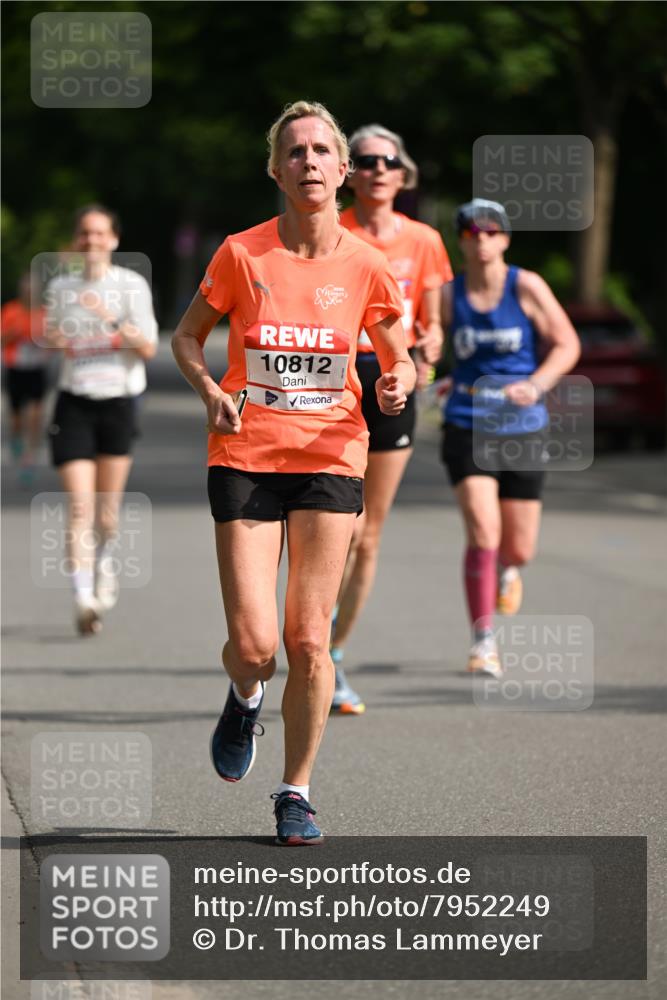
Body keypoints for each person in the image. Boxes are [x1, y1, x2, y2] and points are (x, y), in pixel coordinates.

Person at [171, 101, 414, 845]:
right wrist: (209, 391)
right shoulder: (241, 255)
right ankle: (245, 693)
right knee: (256, 646)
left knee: (308, 639)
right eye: (295, 151)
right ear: (276, 170)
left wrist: (397, 381)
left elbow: (399, 352)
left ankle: (295, 792)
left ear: (342, 172)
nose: (309, 160)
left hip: (332, 455)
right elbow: (187, 337)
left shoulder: (366, 264)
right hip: (245, 453)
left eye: (321, 151)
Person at [330, 124, 453, 713]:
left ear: (404, 175)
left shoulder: (425, 240)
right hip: (335, 378)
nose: (378, 169)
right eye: (366, 160)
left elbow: (432, 323)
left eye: (388, 161)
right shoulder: (332, 231)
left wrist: (429, 348)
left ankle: (332, 655)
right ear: (349, 173)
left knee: (367, 533)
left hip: (392, 379)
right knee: (334, 525)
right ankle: (309, 636)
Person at [441, 199, 580, 676]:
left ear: (505, 238)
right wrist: (430, 373)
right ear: (461, 241)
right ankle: (483, 642)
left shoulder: (527, 286)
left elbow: (567, 343)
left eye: (491, 232)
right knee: (483, 531)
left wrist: (537, 385)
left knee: (518, 547)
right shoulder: (447, 294)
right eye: (471, 233)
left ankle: (510, 568)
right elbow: (427, 346)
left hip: (522, 426)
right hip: (466, 422)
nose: (481, 240)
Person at [44, 205, 158, 635]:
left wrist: (106, 318)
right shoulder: (61, 288)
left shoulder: (130, 286)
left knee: (106, 513)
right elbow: (52, 337)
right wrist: (58, 338)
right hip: (74, 402)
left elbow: (147, 349)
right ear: (77, 240)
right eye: (84, 233)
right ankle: (83, 597)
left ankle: (104, 564)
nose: (91, 240)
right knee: (79, 506)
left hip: (118, 402)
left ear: (113, 239)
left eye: (99, 233)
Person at [1, 273, 49, 483]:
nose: (29, 293)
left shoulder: (44, 313)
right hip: (16, 369)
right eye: (26, 289)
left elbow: (53, 340)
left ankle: (29, 457)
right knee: (17, 417)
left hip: (36, 369)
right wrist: (14, 333)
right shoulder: (11, 310)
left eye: (33, 290)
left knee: (36, 414)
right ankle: (16, 438)